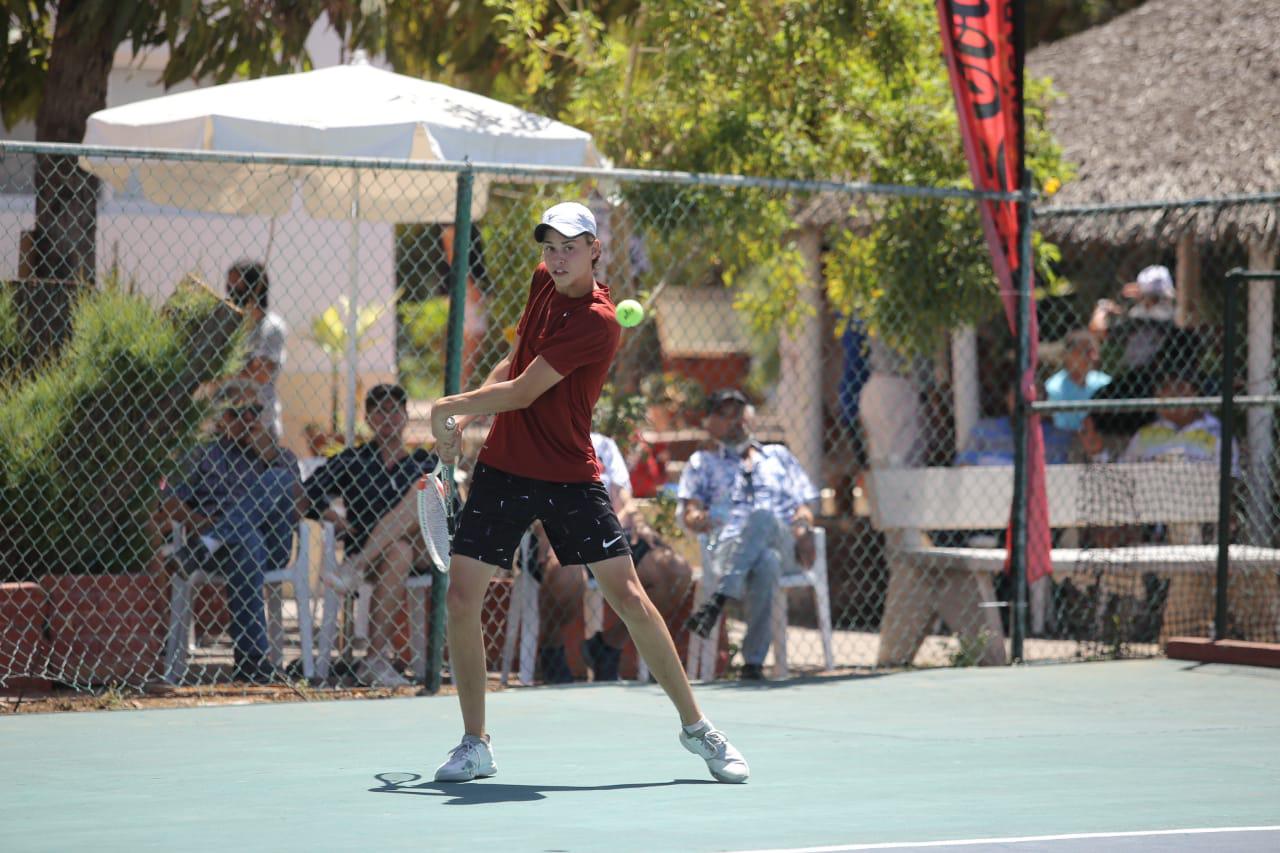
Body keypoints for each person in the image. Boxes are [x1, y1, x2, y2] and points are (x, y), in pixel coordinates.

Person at [427, 201, 749, 784]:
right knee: (461, 597)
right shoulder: (542, 284)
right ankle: (475, 743)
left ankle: (697, 728)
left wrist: (451, 407)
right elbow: (515, 362)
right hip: (505, 469)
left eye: (569, 247)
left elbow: (526, 391)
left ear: (594, 250)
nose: (556, 258)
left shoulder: (598, 321)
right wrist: (470, 414)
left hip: (570, 476)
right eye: (549, 247)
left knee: (629, 598)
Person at [156, 379, 302, 683]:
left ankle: (209, 542)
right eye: (239, 413)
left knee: (278, 479)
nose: (249, 420)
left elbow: (300, 506)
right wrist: (202, 524)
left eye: (255, 412)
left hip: (272, 545)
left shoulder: (276, 454)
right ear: (220, 417)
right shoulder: (201, 453)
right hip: (224, 552)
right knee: (247, 541)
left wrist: (271, 456)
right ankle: (252, 662)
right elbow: (168, 501)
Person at [301, 383, 440, 687]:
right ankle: (376, 660)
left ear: (404, 416)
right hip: (377, 550)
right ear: (369, 418)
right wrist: (332, 516)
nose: (387, 418)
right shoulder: (353, 460)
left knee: (423, 491)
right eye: (379, 411)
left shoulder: (421, 461)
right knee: (398, 551)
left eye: (394, 411)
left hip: (423, 549)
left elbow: (444, 503)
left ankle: (355, 568)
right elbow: (304, 494)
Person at [678, 388, 819, 681]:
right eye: (724, 414)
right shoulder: (703, 463)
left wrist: (803, 529)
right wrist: (698, 519)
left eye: (739, 413)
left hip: (784, 541)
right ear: (709, 423)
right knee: (766, 562)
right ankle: (753, 665)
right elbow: (690, 513)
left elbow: (804, 506)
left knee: (763, 517)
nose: (735, 421)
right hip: (731, 549)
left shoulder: (779, 456)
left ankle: (718, 600)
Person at [536, 431, 694, 683]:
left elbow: (624, 498)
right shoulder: (539, 440)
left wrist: (632, 522)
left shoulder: (605, 445)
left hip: (611, 530)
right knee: (566, 579)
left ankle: (607, 646)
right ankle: (552, 651)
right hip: (563, 530)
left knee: (675, 573)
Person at [1120, 370, 1235, 469]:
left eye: (1179, 387)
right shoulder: (1143, 435)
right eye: (1164, 387)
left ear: (1196, 393)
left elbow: (1232, 478)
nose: (1170, 393)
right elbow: (1124, 471)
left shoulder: (1217, 432)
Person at [226, 260, 287, 439]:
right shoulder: (229, 326)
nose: (230, 293)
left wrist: (222, 375)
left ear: (254, 288)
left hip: (260, 424)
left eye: (236, 287)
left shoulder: (271, 327)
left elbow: (261, 373)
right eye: (228, 286)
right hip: (227, 423)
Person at [1089, 264, 1176, 372]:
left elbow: (1098, 330)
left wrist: (1102, 308)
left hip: (1140, 374)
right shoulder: (1174, 316)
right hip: (1168, 372)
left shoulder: (1141, 319)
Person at [1045, 329, 1111, 434]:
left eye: (1094, 351)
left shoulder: (1104, 382)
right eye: (1087, 351)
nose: (1094, 357)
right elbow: (1058, 429)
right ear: (1069, 355)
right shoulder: (1054, 387)